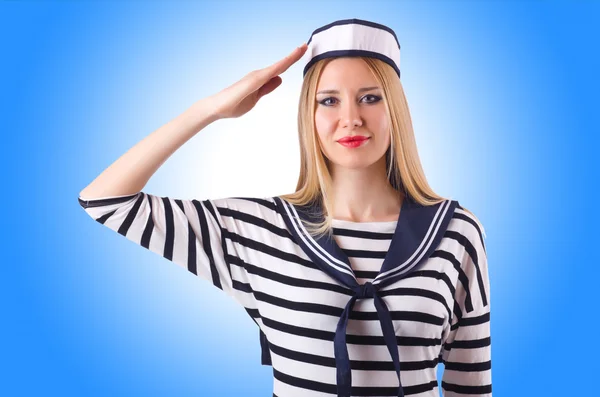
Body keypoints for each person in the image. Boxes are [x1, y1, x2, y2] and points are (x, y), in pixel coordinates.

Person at [79, 18, 492, 397]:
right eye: (328, 101)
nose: (350, 119)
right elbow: (106, 201)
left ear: (396, 111)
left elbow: (470, 385)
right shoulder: (259, 229)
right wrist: (208, 110)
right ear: (307, 115)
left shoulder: (456, 232)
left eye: (370, 97)